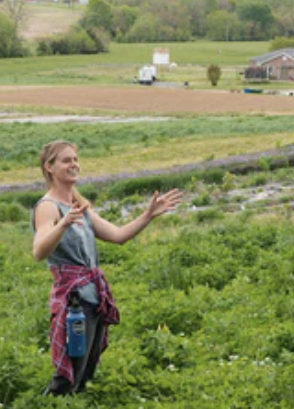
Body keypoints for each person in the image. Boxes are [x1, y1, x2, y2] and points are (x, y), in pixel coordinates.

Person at [32, 140, 182, 395]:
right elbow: (39, 250)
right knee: (69, 371)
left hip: (92, 295)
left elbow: (118, 235)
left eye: (76, 159)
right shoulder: (48, 207)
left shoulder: (79, 206)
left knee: (87, 367)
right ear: (49, 167)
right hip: (74, 299)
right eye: (66, 160)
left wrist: (148, 215)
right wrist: (63, 224)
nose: (74, 165)